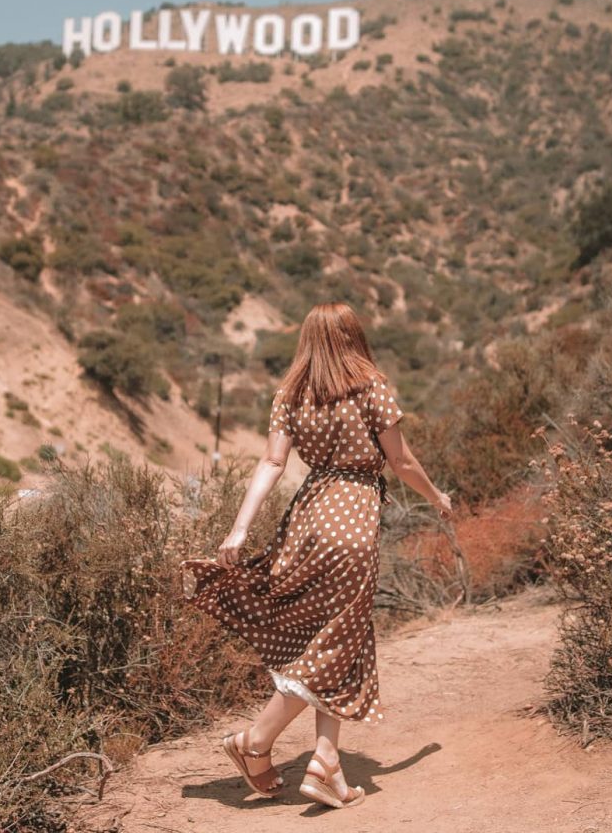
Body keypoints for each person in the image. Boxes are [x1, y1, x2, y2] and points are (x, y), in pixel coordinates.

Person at [180, 302, 452, 809]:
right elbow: (401, 460)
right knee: (335, 640)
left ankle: (326, 761)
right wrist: (437, 497)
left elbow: (271, 462)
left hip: (306, 520)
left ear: (306, 340)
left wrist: (239, 529)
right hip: (351, 524)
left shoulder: (290, 393)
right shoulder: (371, 385)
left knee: (337, 635)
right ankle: (256, 740)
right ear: (354, 336)